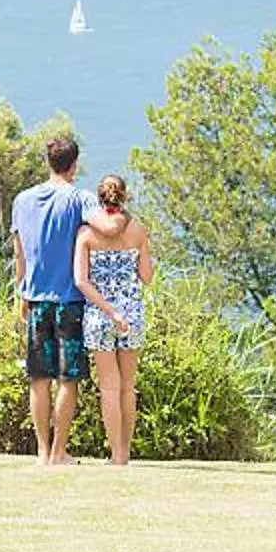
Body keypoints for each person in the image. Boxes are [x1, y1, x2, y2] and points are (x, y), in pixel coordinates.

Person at [9, 132, 91, 468]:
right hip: (70, 299)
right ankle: (59, 452)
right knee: (68, 379)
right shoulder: (80, 199)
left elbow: (19, 254)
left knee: (38, 379)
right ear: (74, 164)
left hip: (35, 297)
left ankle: (42, 452)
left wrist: (21, 295)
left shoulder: (22, 200)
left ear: (48, 162)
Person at [74, 175, 155, 466]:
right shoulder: (138, 231)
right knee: (127, 386)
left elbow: (81, 281)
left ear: (100, 198)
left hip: (99, 314)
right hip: (131, 314)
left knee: (108, 387)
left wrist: (108, 310)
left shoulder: (86, 234)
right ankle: (125, 453)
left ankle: (114, 455)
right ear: (125, 197)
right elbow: (147, 277)